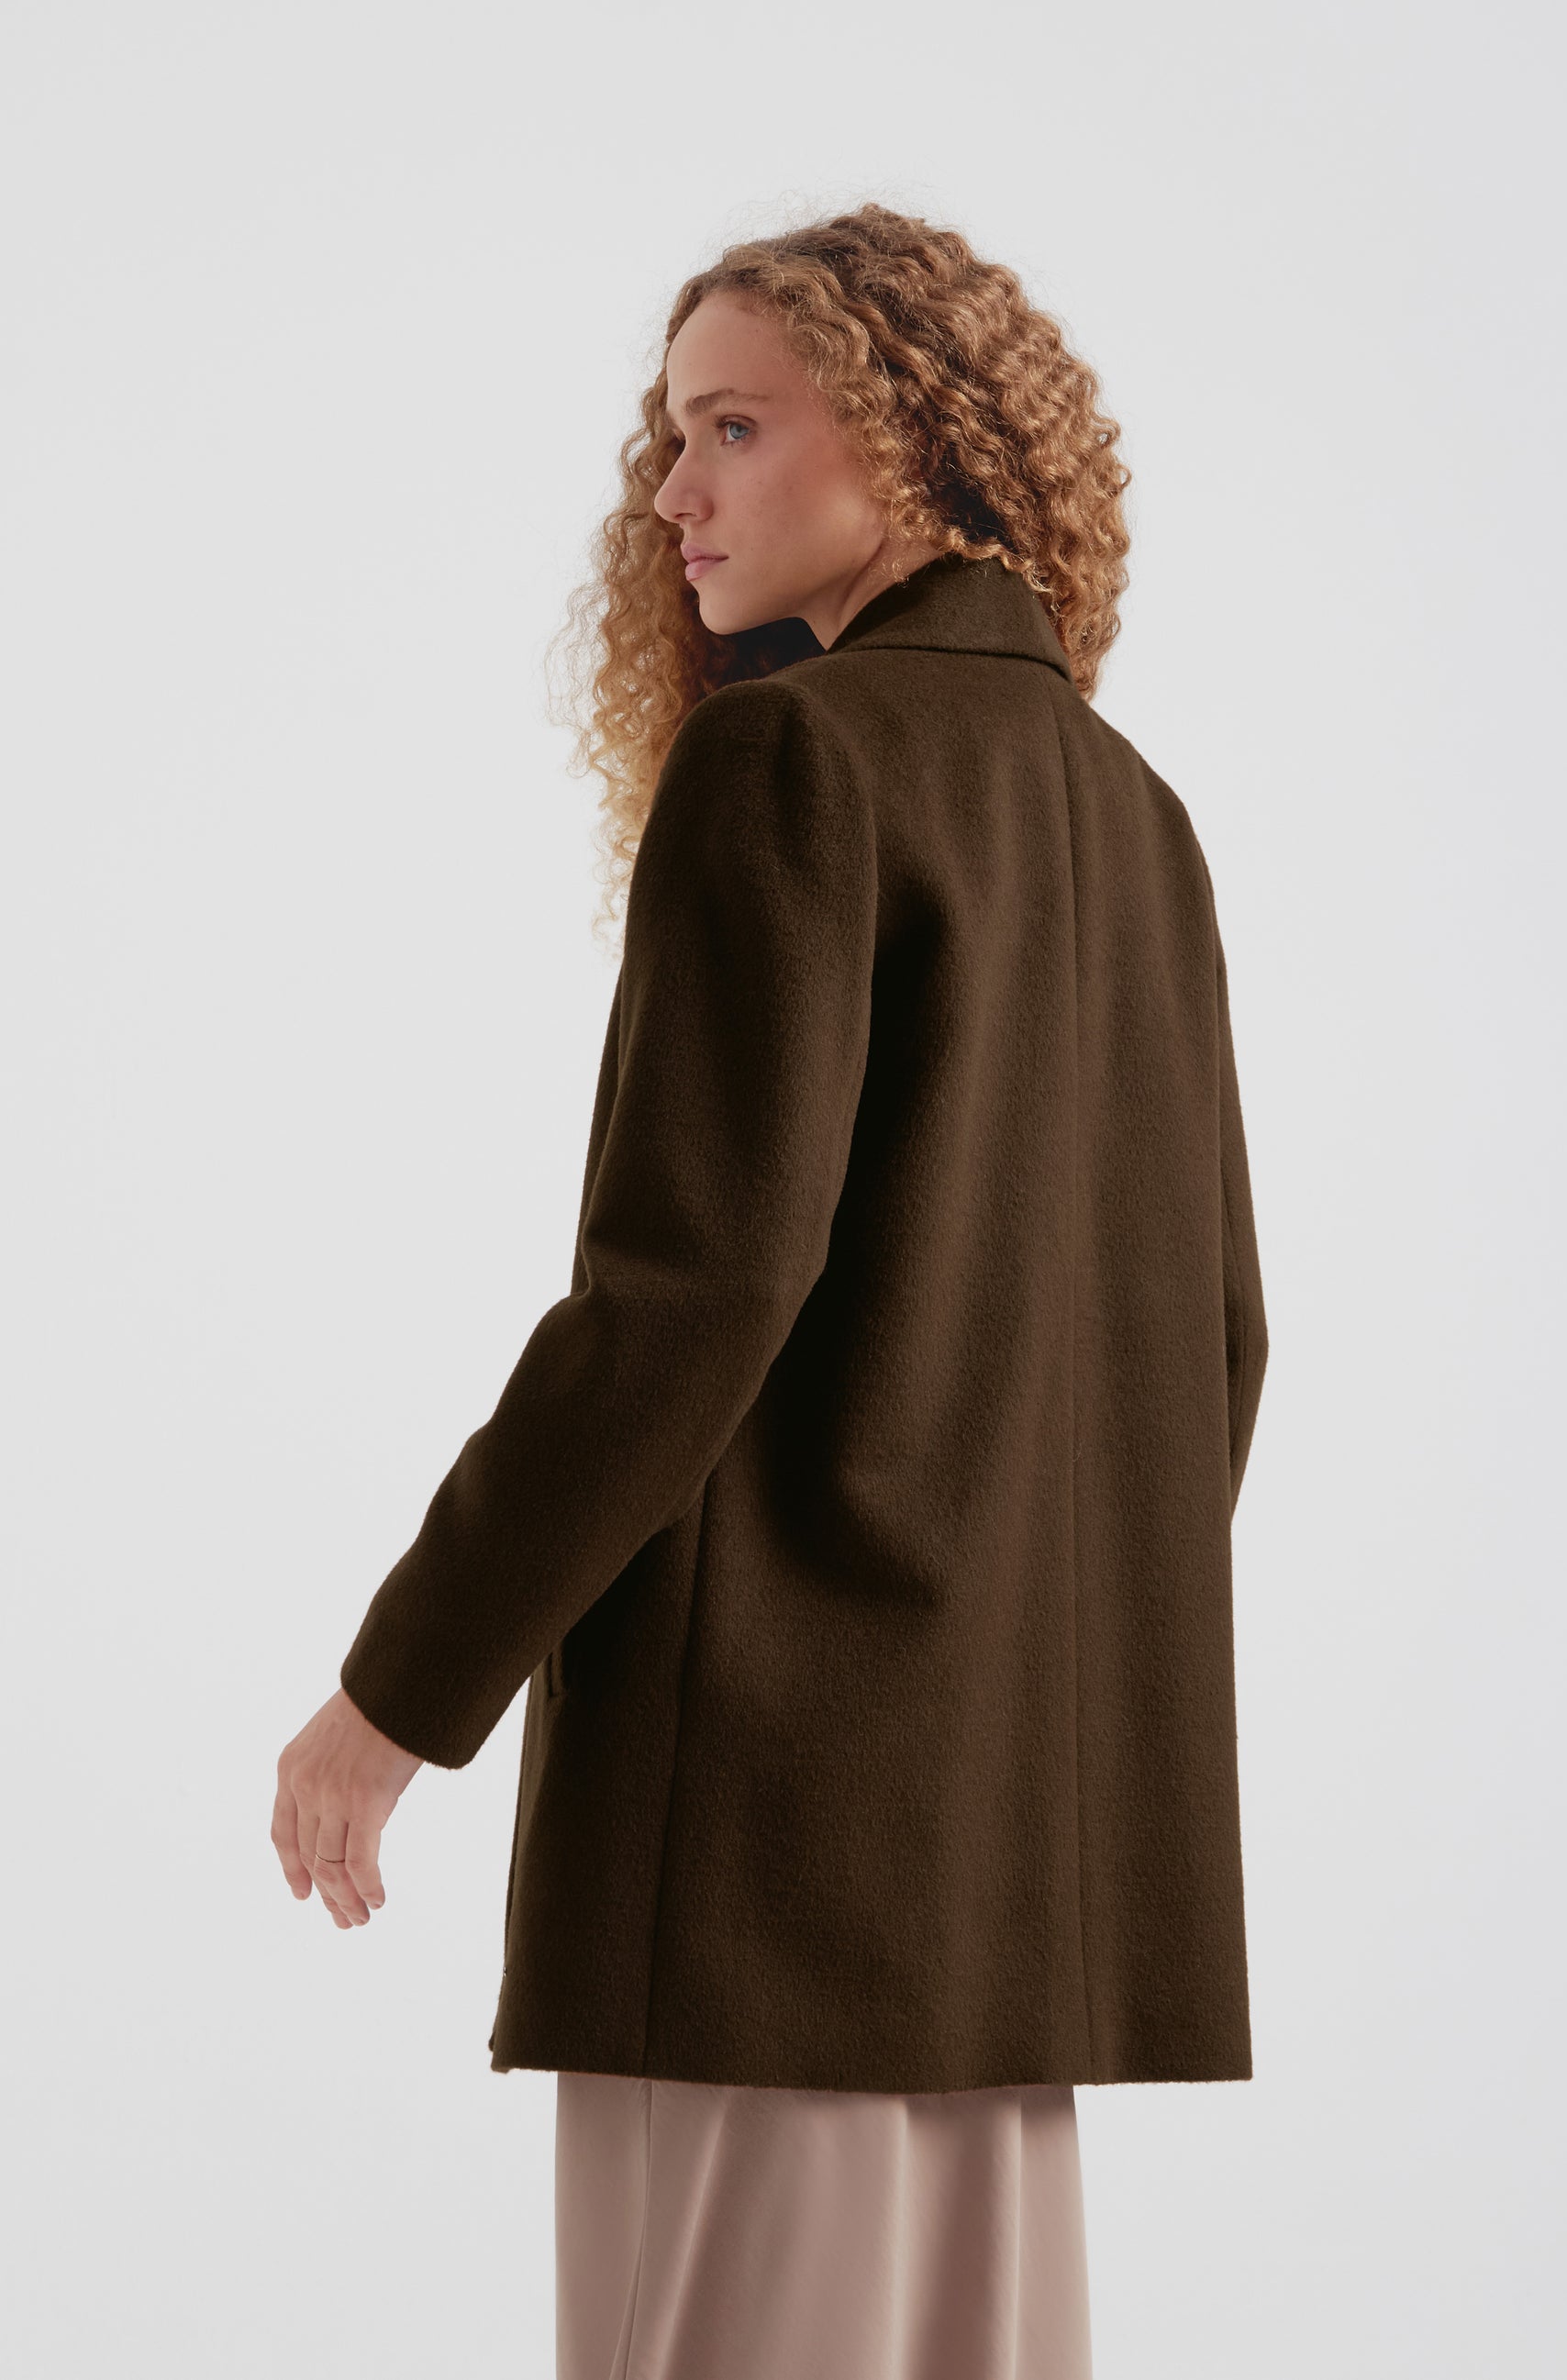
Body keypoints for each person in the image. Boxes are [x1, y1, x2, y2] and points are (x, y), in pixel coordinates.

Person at [272, 201, 1269, 2380]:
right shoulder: (1135, 814)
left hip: (766, 1846)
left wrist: (399, 1691)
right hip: (1005, 1876)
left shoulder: (788, 757)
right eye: (671, 434)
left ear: (914, 440)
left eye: (733, 425)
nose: (671, 491)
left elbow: (687, 1296)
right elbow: (1213, 1344)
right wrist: (994, 1664)